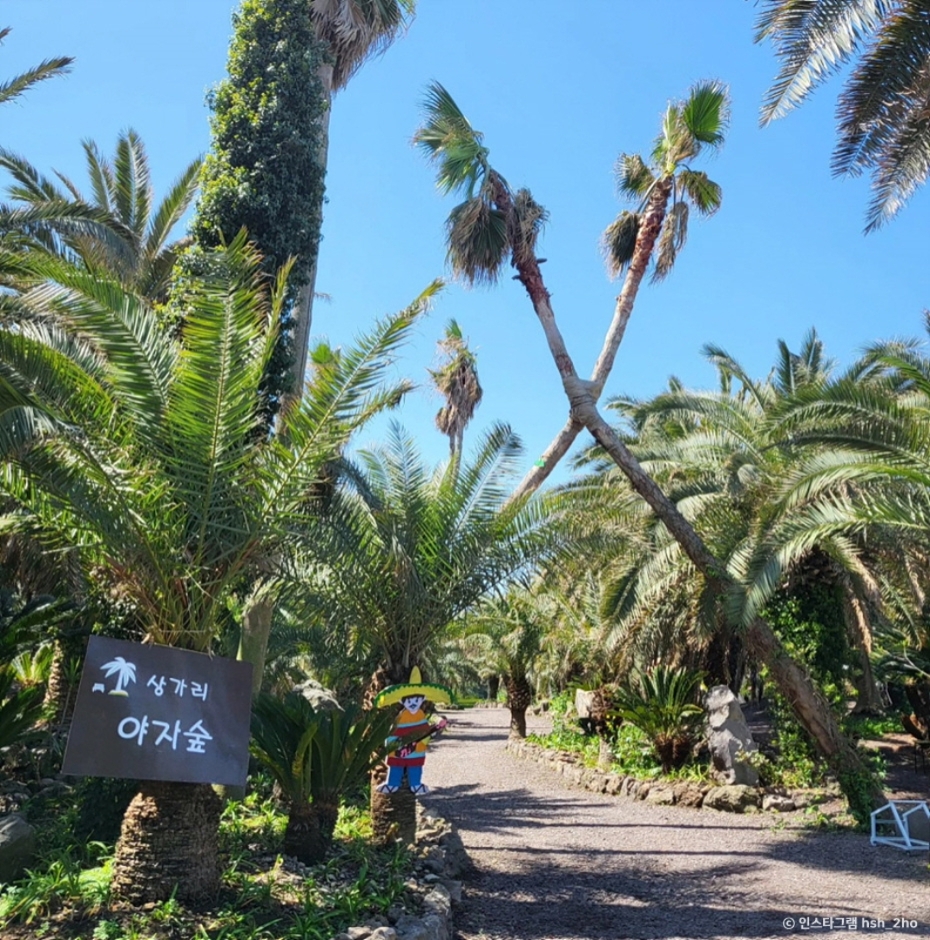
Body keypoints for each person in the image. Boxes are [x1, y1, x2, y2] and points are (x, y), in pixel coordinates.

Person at [374, 667, 452, 796]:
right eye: (409, 701)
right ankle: (392, 784)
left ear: (422, 700)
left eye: (416, 700)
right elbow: (393, 732)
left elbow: (425, 731)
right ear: (402, 701)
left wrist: (433, 730)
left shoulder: (420, 716)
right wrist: (392, 744)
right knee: (396, 766)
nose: (413, 703)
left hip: (416, 751)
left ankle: (416, 784)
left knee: (415, 767)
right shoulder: (401, 717)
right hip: (399, 749)